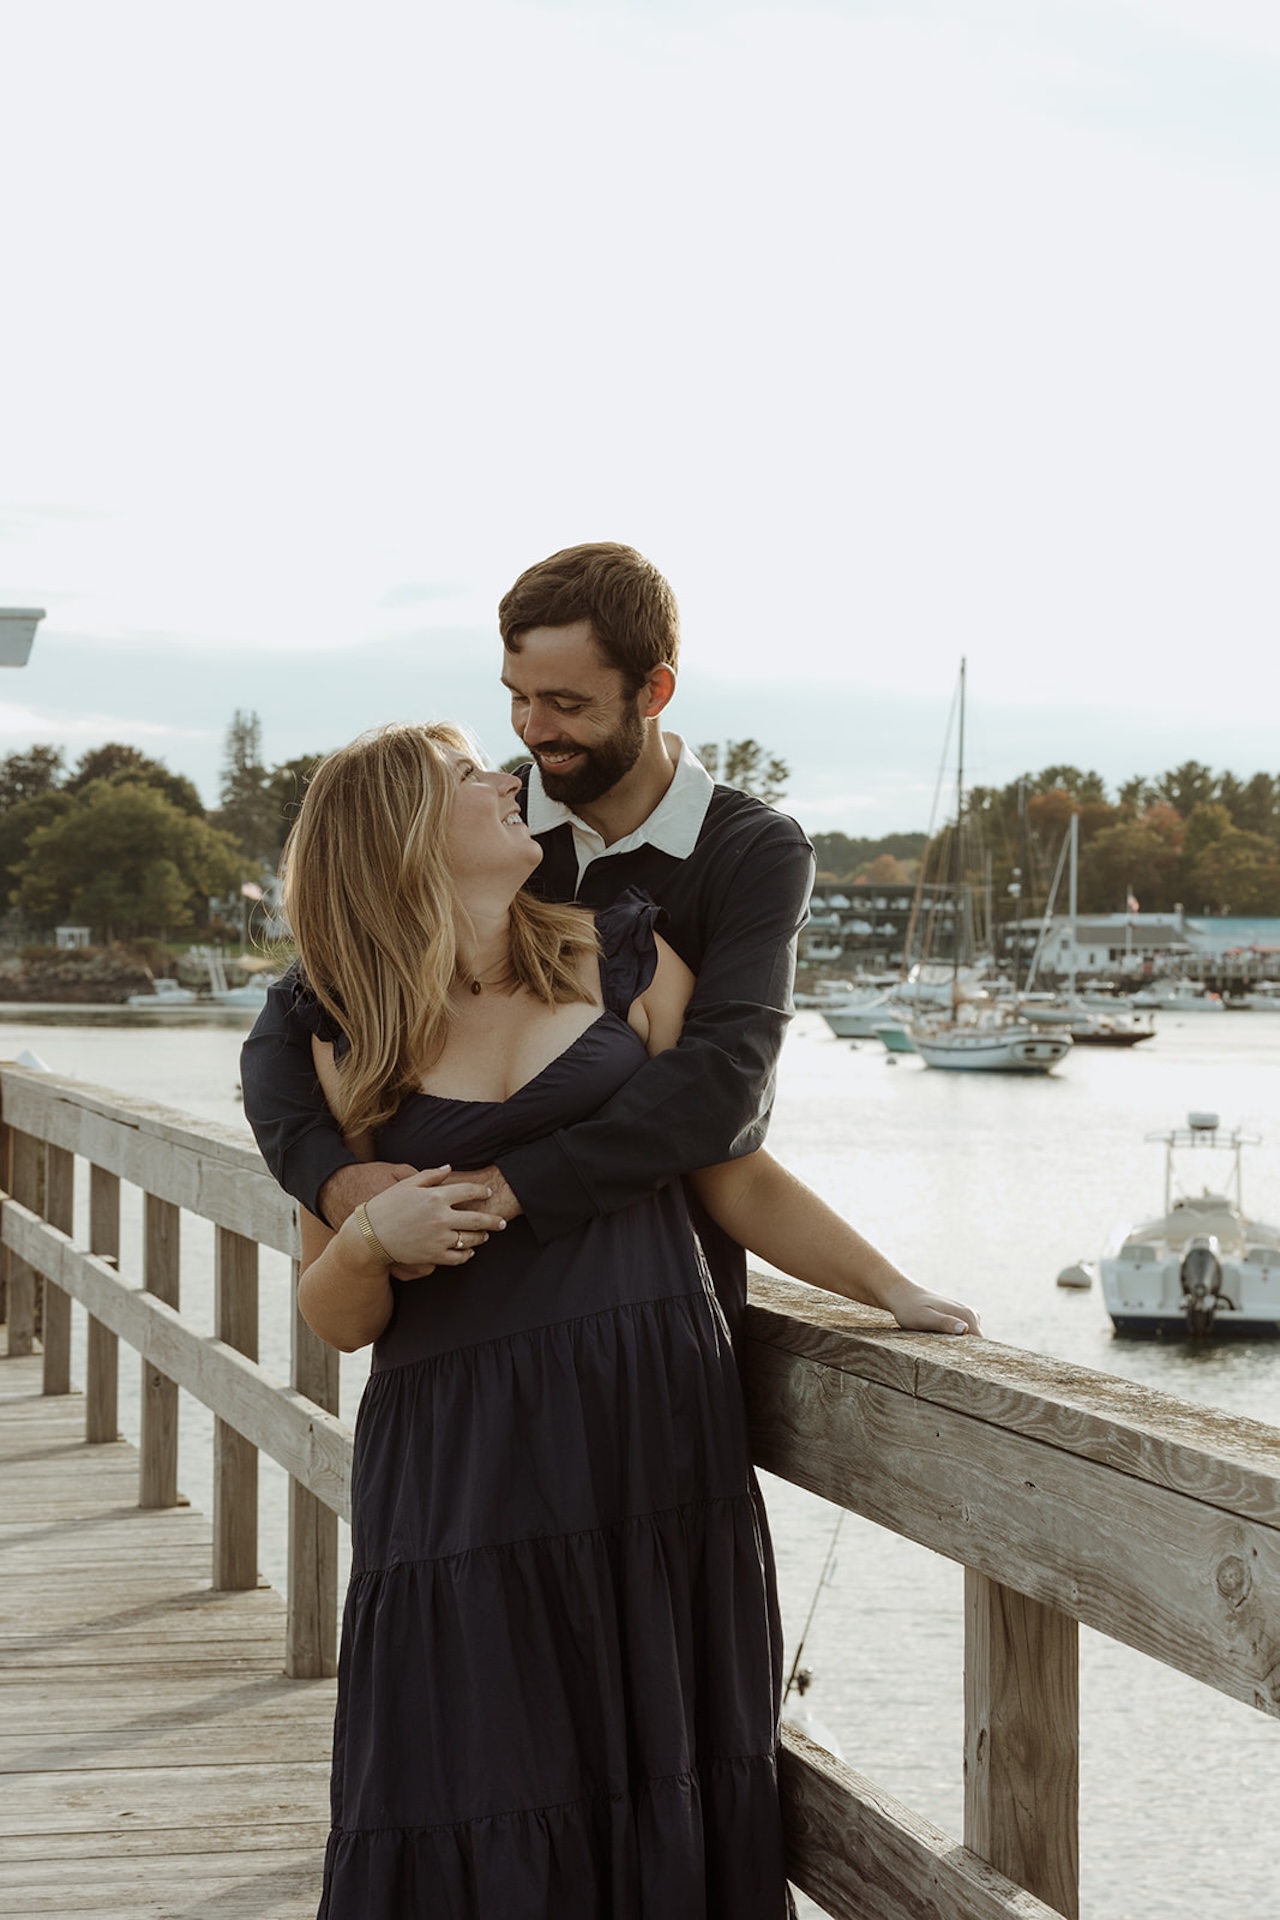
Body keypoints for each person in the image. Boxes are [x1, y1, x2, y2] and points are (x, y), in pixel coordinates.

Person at [278, 722, 979, 1920]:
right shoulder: (345, 1038)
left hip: (645, 1410)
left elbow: (734, 1172)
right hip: (462, 1457)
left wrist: (892, 1291)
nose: (507, 777)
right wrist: (361, 1241)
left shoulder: (620, 958)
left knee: (657, 1751)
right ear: (402, 837)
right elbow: (335, 1318)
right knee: (475, 1765)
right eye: (466, 778)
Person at [239, 542, 816, 1339]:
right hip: (458, 1340)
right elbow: (308, 1010)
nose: (533, 735)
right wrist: (338, 1188)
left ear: (654, 692)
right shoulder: (480, 832)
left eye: (566, 702)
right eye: (518, 698)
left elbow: (722, 1088)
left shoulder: (753, 853)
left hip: (657, 1316)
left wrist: (510, 1187)